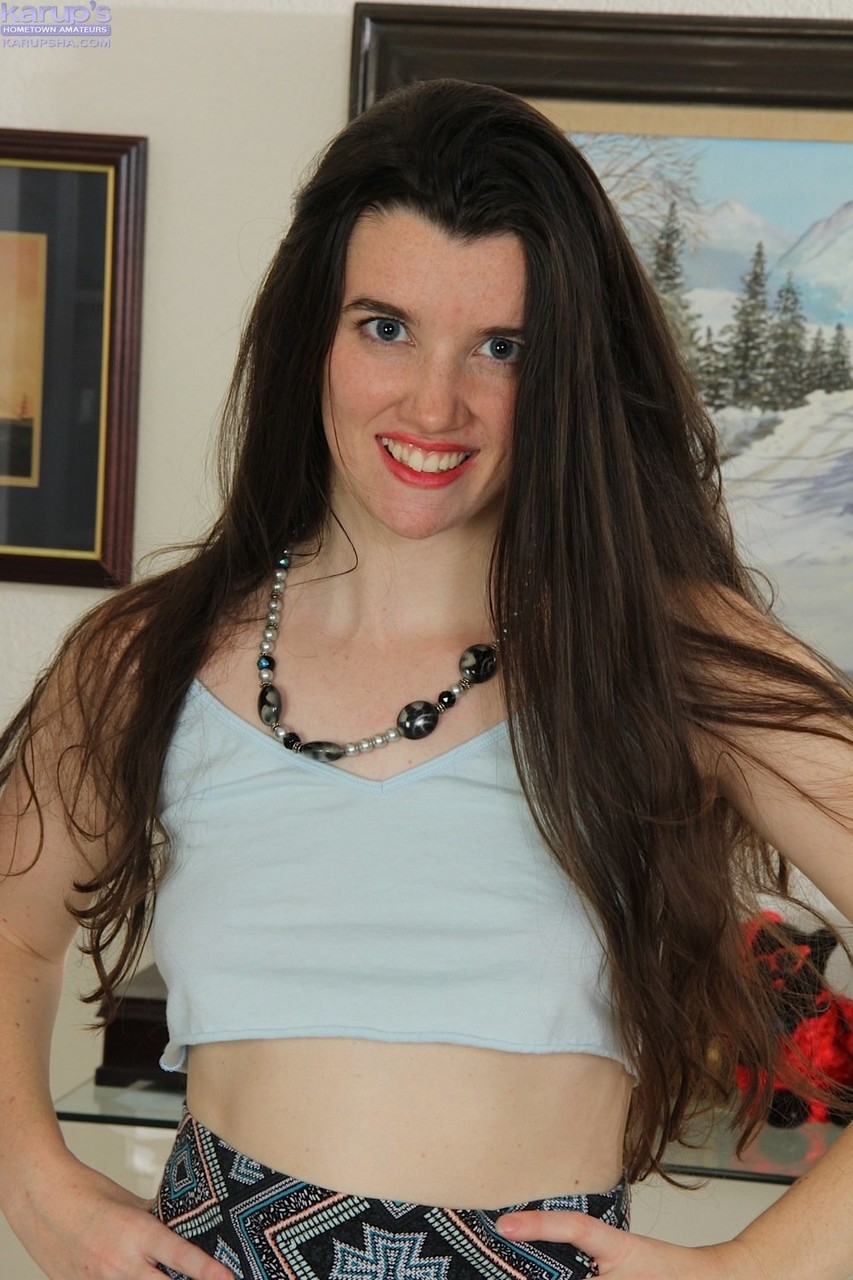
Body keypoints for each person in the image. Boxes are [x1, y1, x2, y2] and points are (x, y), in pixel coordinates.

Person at [0, 77, 852, 1280]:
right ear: (313, 332)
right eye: (384, 327)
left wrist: (755, 1267)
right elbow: (13, 927)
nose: (433, 403)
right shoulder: (152, 653)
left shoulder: (665, 651)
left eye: (502, 347)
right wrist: (34, 1185)